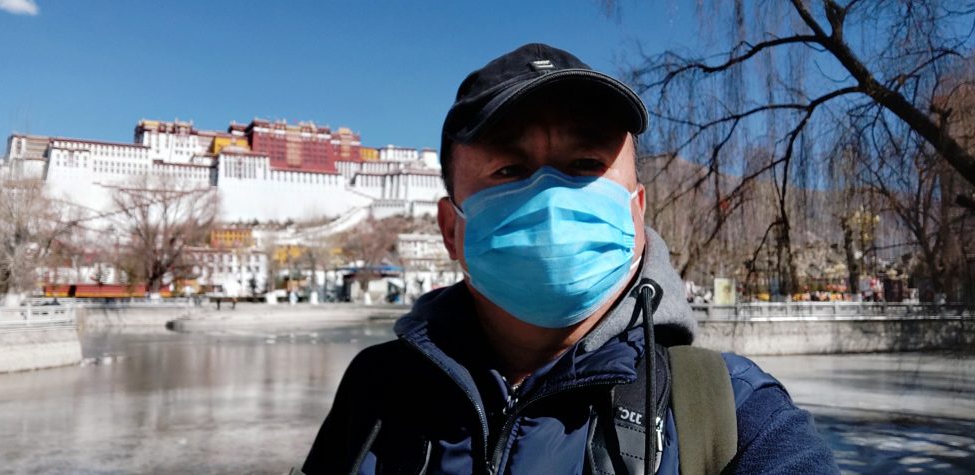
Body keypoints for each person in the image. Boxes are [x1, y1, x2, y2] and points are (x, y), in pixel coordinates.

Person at [302, 43, 838, 474]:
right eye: (509, 170)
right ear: (451, 230)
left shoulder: (736, 414)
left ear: (637, 212)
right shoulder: (377, 392)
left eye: (585, 164)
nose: (553, 201)